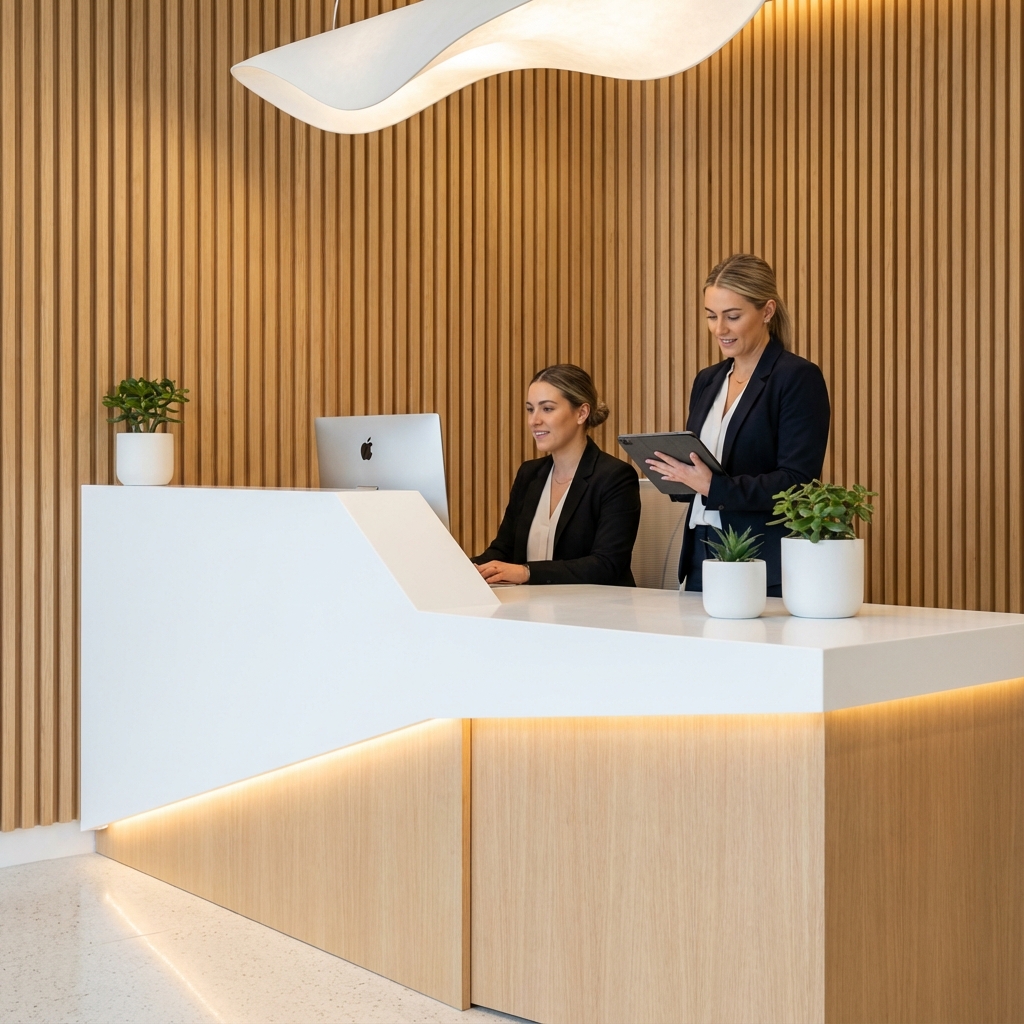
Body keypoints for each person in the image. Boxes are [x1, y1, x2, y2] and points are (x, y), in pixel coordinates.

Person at [645, 254, 830, 597]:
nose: (719, 329)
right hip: (700, 551)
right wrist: (677, 475)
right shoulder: (708, 380)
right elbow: (706, 471)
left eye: (732, 317)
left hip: (760, 559)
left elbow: (798, 481)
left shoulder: (796, 377)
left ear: (767, 311)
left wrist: (714, 487)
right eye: (711, 317)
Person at [473, 364, 641, 586]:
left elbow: (607, 564)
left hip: (594, 613)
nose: (534, 421)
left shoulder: (615, 477)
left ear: (582, 413)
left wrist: (526, 572)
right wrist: (464, 568)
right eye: (530, 409)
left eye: (547, 409)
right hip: (530, 611)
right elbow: (503, 549)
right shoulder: (529, 473)